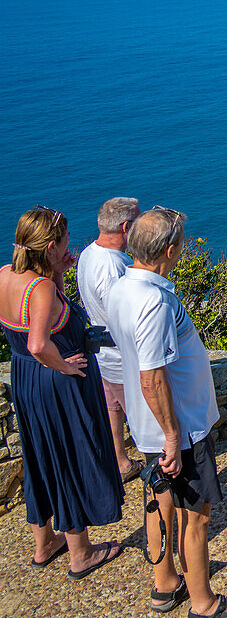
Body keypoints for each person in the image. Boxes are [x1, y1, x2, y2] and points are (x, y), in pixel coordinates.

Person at [107, 207, 227, 618]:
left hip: (147, 427)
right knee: (196, 519)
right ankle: (205, 603)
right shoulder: (155, 302)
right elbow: (151, 376)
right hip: (180, 430)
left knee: (161, 505)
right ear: (171, 249)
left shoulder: (122, 288)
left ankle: (165, 586)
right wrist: (175, 438)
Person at [0, 206, 124, 579]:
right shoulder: (40, 289)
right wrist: (67, 366)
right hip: (56, 383)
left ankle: (44, 543)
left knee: (41, 457)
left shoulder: (6, 275)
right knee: (69, 456)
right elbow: (40, 343)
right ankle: (80, 553)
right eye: (67, 241)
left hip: (25, 380)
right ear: (52, 245)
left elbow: (38, 326)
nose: (71, 245)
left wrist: (58, 273)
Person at [77, 196, 142, 482]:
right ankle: (160, 472)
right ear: (126, 226)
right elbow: (124, 315)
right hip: (120, 357)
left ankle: (120, 462)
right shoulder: (114, 266)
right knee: (142, 419)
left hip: (100, 352)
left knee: (111, 407)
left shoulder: (89, 253)